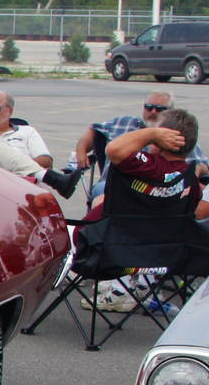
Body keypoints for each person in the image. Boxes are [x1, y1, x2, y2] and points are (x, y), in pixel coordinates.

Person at [81, 109, 204, 312]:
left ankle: (121, 288)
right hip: (160, 255)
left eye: (156, 131)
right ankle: (140, 285)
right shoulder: (190, 177)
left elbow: (113, 149)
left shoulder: (147, 166)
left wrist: (151, 134)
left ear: (164, 139)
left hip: (110, 249)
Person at [71, 91, 208, 190]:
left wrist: (198, 169)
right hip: (112, 185)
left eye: (160, 109)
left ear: (171, 112)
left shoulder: (177, 136)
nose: (153, 111)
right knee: (102, 192)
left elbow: (203, 166)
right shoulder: (125, 122)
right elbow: (94, 130)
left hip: (159, 190)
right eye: (149, 107)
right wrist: (81, 150)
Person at [0, 90, 81, 197]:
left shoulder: (27, 131)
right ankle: (53, 179)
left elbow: (46, 161)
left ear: (9, 111)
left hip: (21, 186)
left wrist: (11, 165)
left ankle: (53, 179)